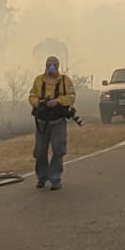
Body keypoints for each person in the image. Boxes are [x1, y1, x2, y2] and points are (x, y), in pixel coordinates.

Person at [27, 55, 76, 190]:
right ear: (45, 65)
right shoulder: (38, 80)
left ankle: (55, 178)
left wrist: (58, 101)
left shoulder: (65, 81)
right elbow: (32, 95)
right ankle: (41, 177)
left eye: (54, 64)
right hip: (42, 122)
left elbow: (71, 97)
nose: (51, 66)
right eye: (49, 64)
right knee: (40, 151)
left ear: (58, 66)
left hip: (58, 121)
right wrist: (37, 103)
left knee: (58, 149)